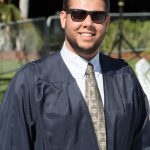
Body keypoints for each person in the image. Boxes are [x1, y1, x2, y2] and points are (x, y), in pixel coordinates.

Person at [0, 0, 150, 149]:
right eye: (78, 15)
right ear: (63, 19)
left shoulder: (124, 77)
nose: (88, 23)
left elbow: (143, 142)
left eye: (97, 16)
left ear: (107, 22)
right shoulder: (30, 81)